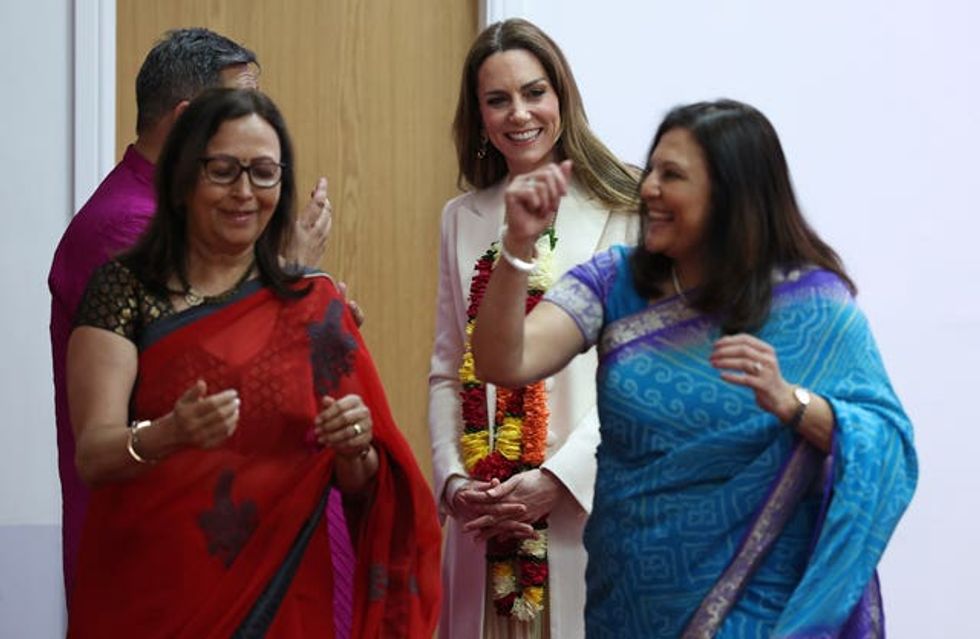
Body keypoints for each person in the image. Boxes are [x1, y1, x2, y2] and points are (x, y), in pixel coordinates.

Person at [471, 99, 917, 637]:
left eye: (672, 175)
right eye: (652, 169)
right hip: (629, 600)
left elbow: (886, 445)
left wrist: (790, 402)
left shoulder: (816, 309)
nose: (648, 188)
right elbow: (504, 359)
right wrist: (519, 246)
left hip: (758, 606)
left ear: (732, 196)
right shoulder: (615, 282)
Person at [65, 88, 440, 637]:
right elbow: (94, 454)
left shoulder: (312, 304)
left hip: (282, 600)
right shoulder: (125, 289)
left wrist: (356, 446)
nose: (244, 192)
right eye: (223, 170)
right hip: (149, 595)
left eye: (264, 173)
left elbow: (361, 486)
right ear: (182, 178)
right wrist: (168, 434)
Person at [48, 27, 338, 602]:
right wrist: (292, 273)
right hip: (164, 541)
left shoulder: (186, 215)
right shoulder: (128, 228)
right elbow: (210, 365)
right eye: (235, 108)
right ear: (187, 122)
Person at [428, 18, 639, 639]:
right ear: (479, 115)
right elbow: (447, 368)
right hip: (484, 521)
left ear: (562, 97)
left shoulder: (625, 206)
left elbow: (635, 377)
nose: (518, 114)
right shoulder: (461, 218)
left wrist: (559, 479)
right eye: (498, 100)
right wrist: (455, 481)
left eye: (533, 92)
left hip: (584, 510)